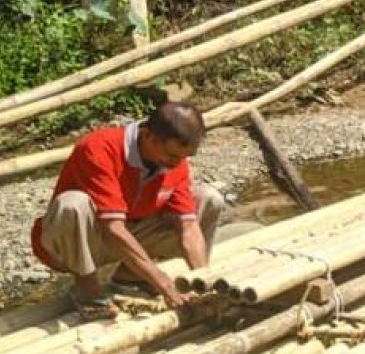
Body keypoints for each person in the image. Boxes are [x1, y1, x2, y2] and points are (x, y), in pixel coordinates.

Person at [30, 101, 225, 320]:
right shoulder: (98, 148)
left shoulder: (174, 161)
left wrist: (202, 281)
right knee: (72, 204)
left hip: (128, 232)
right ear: (148, 136)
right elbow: (112, 227)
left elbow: (188, 226)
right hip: (79, 242)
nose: (178, 163)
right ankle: (88, 289)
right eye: (172, 156)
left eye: (184, 157)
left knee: (209, 199)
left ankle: (130, 277)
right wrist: (160, 280)